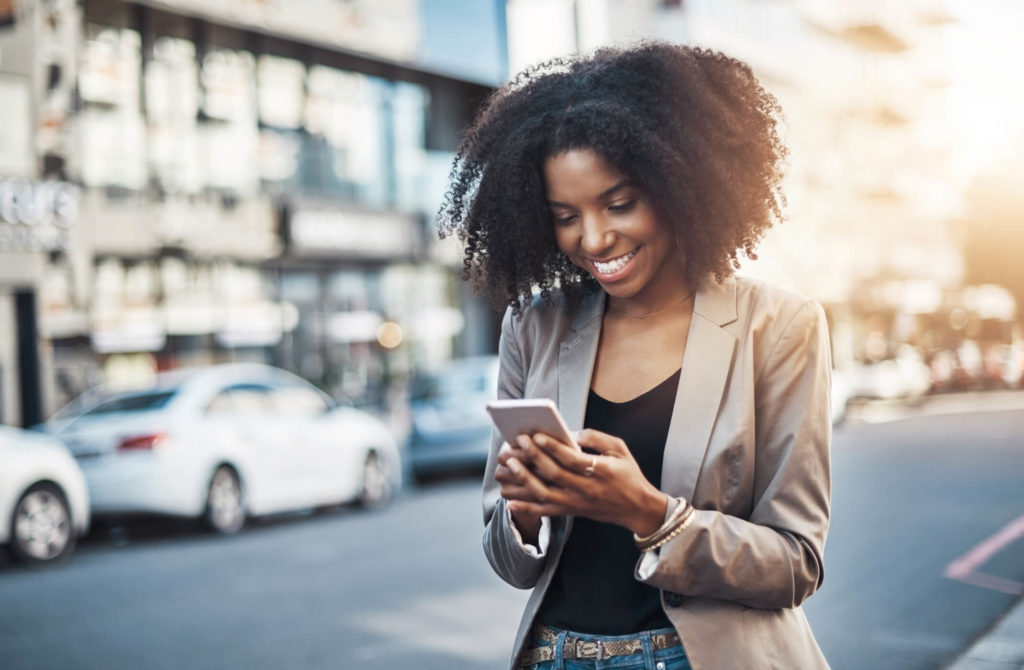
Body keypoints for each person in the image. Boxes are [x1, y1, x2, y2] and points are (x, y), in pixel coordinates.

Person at [437, 42, 832, 670]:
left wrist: (649, 513)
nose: (594, 238)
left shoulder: (778, 328)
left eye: (619, 204)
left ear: (681, 182)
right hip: (554, 657)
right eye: (566, 216)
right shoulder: (533, 326)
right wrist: (525, 510)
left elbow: (794, 564)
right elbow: (511, 563)